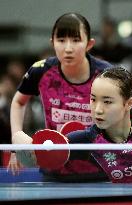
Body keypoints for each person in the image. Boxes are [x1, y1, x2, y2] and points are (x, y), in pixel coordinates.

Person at [9, 12, 112, 174]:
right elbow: (18, 102)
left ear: (89, 44)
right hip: (54, 171)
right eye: (61, 40)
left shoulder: (107, 74)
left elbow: (129, 113)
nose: (68, 48)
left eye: (76, 40)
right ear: (52, 43)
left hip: (102, 172)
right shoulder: (41, 71)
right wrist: (17, 136)